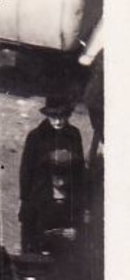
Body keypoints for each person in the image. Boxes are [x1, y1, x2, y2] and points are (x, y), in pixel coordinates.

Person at [18, 96, 87, 254]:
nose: (58, 122)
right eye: (54, 117)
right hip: (40, 192)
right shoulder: (35, 136)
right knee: (37, 236)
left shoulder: (74, 134)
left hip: (66, 193)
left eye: (62, 117)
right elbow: (26, 170)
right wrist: (24, 200)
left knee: (64, 242)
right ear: (47, 115)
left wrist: (80, 200)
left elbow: (79, 169)